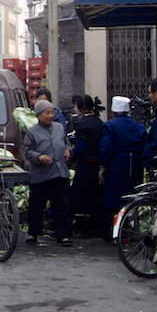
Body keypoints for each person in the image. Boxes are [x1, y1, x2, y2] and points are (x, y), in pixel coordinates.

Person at [22, 99, 73, 246]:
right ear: (38, 115)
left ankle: (63, 235)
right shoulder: (32, 132)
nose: (51, 115)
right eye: (47, 113)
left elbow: (66, 142)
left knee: (61, 204)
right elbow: (27, 150)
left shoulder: (59, 127)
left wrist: (67, 150)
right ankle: (33, 233)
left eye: (51, 112)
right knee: (37, 205)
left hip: (59, 172)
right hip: (41, 174)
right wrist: (39, 156)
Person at [99, 96, 148, 239]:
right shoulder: (139, 127)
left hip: (117, 164)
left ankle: (111, 232)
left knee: (113, 197)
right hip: (135, 164)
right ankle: (129, 230)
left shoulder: (110, 126)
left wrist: (103, 165)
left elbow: (105, 147)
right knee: (133, 197)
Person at [69, 94, 103, 236]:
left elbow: (80, 148)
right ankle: (96, 227)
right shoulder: (99, 122)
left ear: (81, 108)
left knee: (75, 195)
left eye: (76, 106)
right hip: (97, 165)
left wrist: (71, 155)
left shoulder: (82, 124)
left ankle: (67, 227)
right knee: (95, 196)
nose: (74, 109)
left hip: (86, 164)